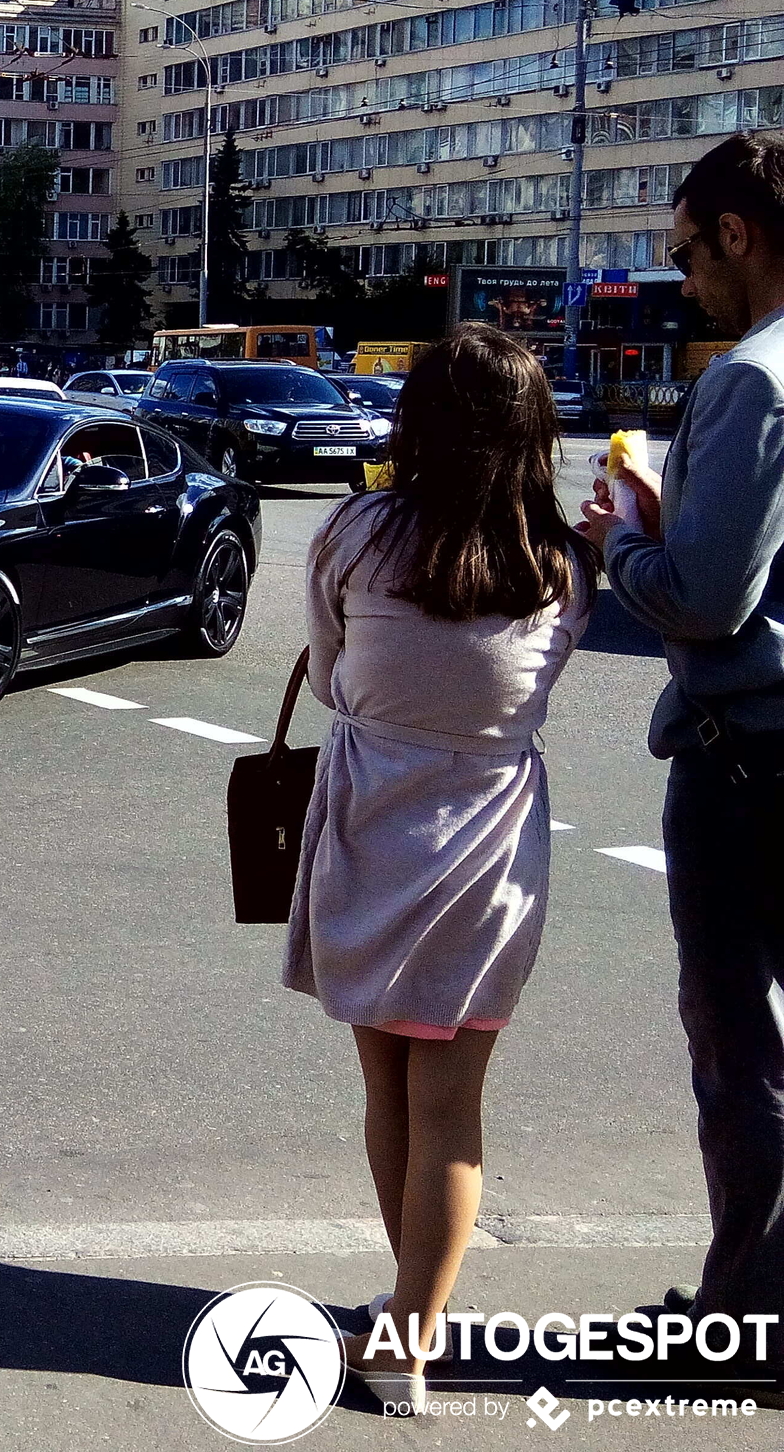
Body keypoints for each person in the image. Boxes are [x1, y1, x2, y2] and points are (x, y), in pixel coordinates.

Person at [286, 324, 596, 1411]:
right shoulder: (558, 560)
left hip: (375, 827)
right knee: (453, 1104)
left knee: (387, 1086)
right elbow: (535, 679)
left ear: (415, 424)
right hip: (492, 846)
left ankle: (402, 1313)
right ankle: (411, 1333)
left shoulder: (356, 534)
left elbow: (328, 682)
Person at [583, 130, 784, 1378]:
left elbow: (706, 600)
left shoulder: (752, 380)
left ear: (733, 234)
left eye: (679, 250)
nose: (679, 279)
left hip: (750, 763)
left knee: (737, 1055)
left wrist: (620, 539)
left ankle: (742, 1321)